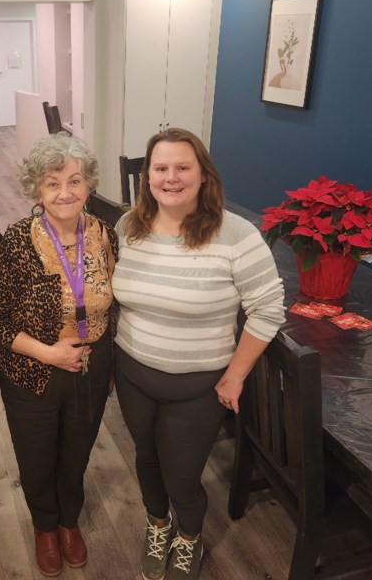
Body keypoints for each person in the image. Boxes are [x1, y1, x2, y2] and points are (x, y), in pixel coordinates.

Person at [112, 128, 285, 580]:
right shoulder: (127, 227)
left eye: (182, 168)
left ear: (203, 175)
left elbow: (268, 309)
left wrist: (235, 375)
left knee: (183, 477)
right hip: (132, 372)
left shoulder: (236, 234)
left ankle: (189, 537)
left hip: (198, 384)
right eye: (161, 168)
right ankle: (158, 523)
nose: (171, 177)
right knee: (146, 457)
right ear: (147, 176)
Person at [0, 132, 118, 577]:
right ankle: (44, 526)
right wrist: (49, 353)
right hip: (32, 370)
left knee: (77, 452)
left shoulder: (105, 236)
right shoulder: (19, 241)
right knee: (37, 456)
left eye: (75, 181)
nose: (65, 192)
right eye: (53, 183)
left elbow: (117, 304)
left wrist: (110, 359)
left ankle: (68, 521)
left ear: (89, 186)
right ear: (37, 191)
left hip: (90, 367)